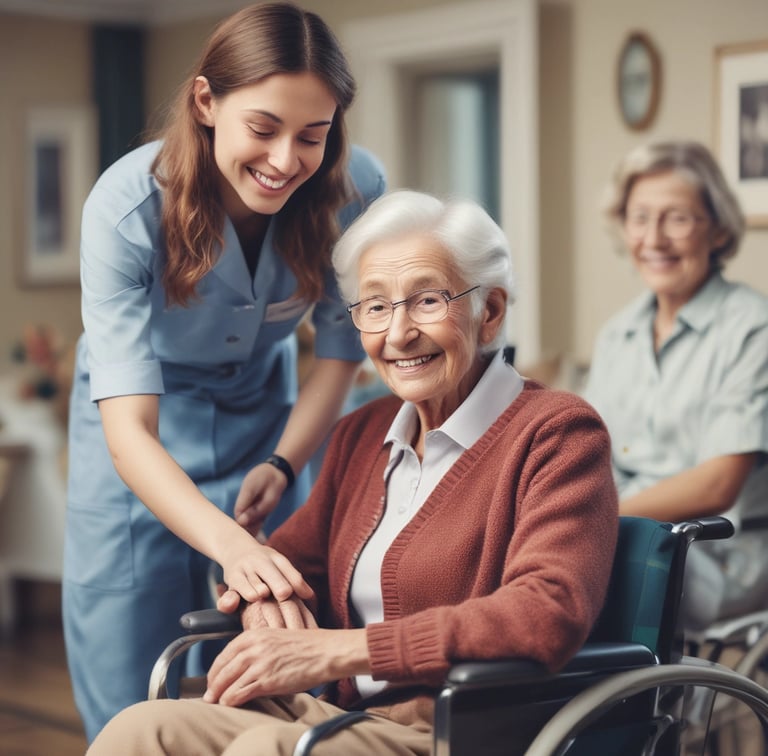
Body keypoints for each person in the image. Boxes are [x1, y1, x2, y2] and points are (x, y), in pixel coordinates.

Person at [87, 190, 619, 756]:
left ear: (489, 312)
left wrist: (336, 652)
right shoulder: (362, 433)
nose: (398, 334)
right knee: (138, 732)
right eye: (375, 307)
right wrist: (264, 603)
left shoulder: (558, 433)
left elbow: (545, 613)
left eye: (427, 300)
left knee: (264, 751)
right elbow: (290, 566)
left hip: (460, 731)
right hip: (344, 717)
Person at [63, 2, 386, 742]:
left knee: (269, 658)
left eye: (312, 135)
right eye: (263, 128)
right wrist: (233, 547)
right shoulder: (125, 208)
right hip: (138, 431)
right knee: (124, 662)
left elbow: (340, 355)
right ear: (206, 103)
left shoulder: (355, 190)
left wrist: (284, 461)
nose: (286, 160)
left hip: (266, 421)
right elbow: (130, 432)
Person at [584, 140, 768, 631]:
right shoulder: (617, 334)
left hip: (717, 551)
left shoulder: (753, 326)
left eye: (677, 219)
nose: (654, 239)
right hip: (625, 533)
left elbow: (718, 484)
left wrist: (597, 518)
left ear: (717, 228)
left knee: (570, 573)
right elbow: (590, 453)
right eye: (640, 218)